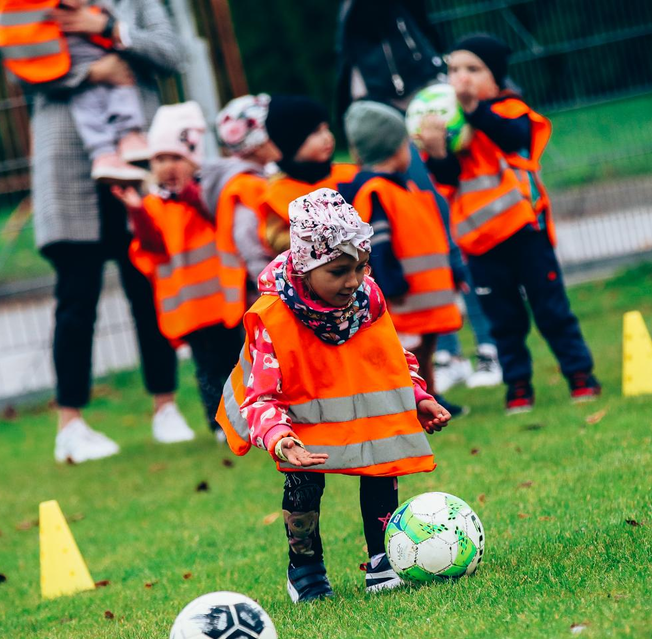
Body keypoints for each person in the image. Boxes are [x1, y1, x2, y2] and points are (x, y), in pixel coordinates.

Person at [215, 189, 452, 603]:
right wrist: (279, 438)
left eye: (361, 267)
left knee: (381, 464)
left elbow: (389, 357)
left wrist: (416, 396)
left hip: (358, 409)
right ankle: (305, 567)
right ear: (305, 268)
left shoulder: (367, 300)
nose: (353, 281)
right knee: (304, 484)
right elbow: (261, 395)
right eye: (339, 271)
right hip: (294, 419)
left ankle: (383, 557)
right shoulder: (274, 316)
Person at [27, 0, 194, 463]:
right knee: (75, 297)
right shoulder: (35, 5)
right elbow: (22, 67)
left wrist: (111, 28)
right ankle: (70, 424)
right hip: (68, 168)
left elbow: (173, 53)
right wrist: (93, 72)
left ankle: (166, 407)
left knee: (149, 287)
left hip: (137, 163)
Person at [422, 35, 600, 414]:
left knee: (552, 310)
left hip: (525, 233)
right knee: (503, 321)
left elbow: (514, 138)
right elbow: (449, 178)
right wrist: (437, 151)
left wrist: (474, 110)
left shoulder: (509, 110)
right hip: (480, 243)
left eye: (473, 69)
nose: (461, 77)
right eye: (454, 69)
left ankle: (580, 375)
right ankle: (518, 385)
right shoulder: (450, 122)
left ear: (496, 77)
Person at [334, 0, 500, 391]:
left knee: (448, 244)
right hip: (392, 133)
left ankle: (487, 348)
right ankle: (448, 355)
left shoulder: (399, 17)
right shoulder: (352, 18)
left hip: (425, 125)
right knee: (424, 249)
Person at [115, 102, 245, 441]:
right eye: (159, 159)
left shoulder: (205, 193)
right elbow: (152, 247)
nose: (168, 166)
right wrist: (136, 213)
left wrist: (192, 196)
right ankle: (219, 424)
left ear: (193, 159)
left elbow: (218, 219)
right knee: (206, 367)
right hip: (190, 308)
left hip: (223, 302)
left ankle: (250, 416)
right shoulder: (153, 205)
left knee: (237, 361)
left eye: (176, 157)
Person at [339, 100, 461, 400]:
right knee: (411, 352)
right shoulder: (377, 191)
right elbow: (378, 244)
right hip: (403, 297)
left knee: (425, 350)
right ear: (395, 148)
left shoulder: (404, 188)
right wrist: (391, 284)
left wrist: (454, 272)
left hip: (423, 295)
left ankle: (430, 396)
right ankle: (414, 401)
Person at [0, 0, 149, 182]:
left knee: (111, 83)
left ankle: (121, 141)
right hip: (61, 142)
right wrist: (87, 74)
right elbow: (18, 74)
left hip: (73, 48)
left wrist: (109, 27)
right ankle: (115, 143)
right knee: (96, 89)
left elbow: (170, 52)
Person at [201, 94, 280, 302]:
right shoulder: (245, 186)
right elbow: (249, 243)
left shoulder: (252, 178)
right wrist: (273, 291)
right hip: (264, 292)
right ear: (258, 142)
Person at [258, 96, 359, 255]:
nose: (328, 137)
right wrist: (314, 240)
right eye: (316, 132)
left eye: (327, 128)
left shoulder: (350, 174)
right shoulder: (279, 192)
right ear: (290, 141)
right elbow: (275, 239)